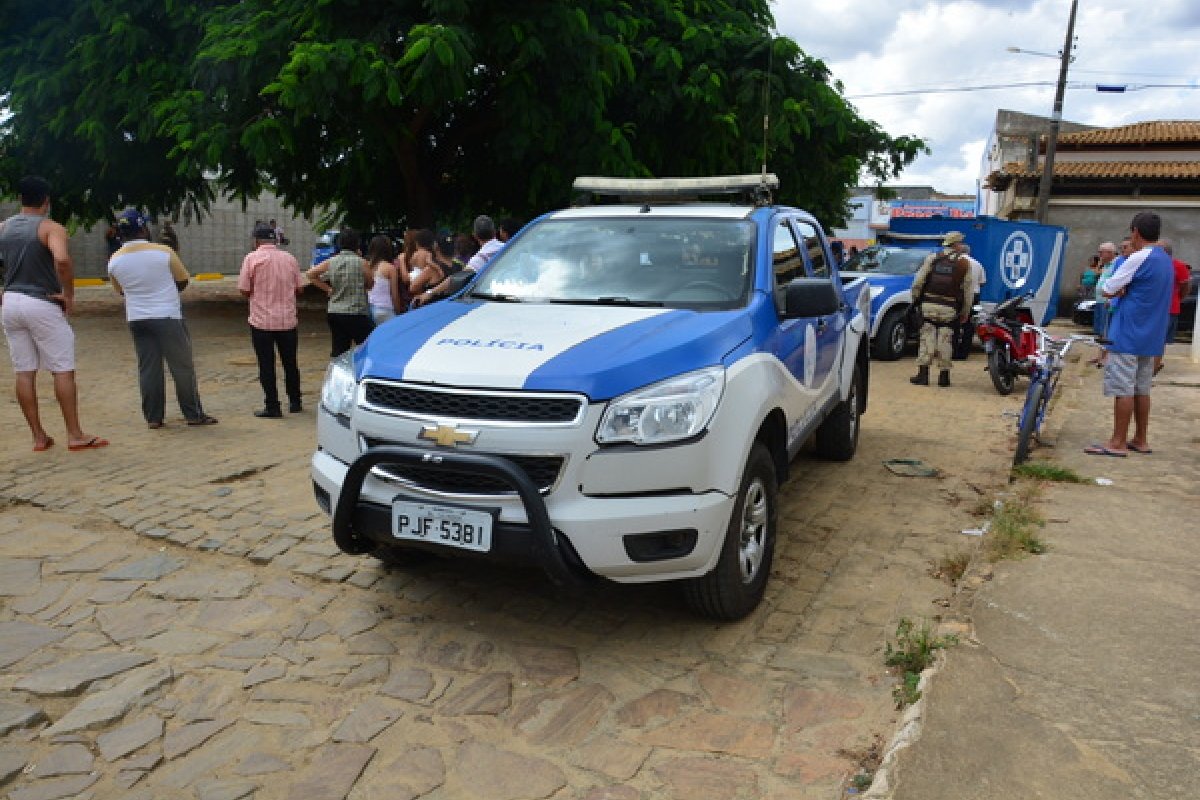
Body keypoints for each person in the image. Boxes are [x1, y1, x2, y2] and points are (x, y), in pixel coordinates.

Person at [0, 176, 108, 451]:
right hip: (42, 301)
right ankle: (75, 434)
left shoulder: (4, 228)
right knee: (62, 369)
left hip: (11, 302)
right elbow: (61, 259)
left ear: (21, 199)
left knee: (24, 371)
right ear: (46, 200)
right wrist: (68, 294)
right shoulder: (50, 228)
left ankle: (38, 436)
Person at [108, 208, 217, 429]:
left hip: (137, 318)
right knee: (182, 367)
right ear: (143, 228)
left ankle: (154, 418)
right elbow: (183, 281)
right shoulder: (163, 252)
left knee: (148, 368)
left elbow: (121, 291)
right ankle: (193, 414)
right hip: (167, 316)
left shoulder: (114, 261)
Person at [1084, 211, 1174, 458]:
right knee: (1142, 389)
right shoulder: (1165, 259)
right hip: (1152, 335)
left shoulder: (1138, 258)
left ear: (1135, 232)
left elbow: (1108, 288)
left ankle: (1117, 442)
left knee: (1123, 388)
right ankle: (1140, 438)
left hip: (1128, 332)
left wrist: (1121, 288)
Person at [238, 222, 305, 418]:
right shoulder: (290, 259)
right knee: (290, 362)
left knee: (266, 364)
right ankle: (295, 401)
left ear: (256, 240)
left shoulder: (251, 259)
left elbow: (243, 289)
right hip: (287, 321)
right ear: (275, 240)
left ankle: (273, 406)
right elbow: (300, 288)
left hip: (261, 322)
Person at [908, 231, 972, 387]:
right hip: (949, 308)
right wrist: (965, 312)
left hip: (928, 304)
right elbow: (967, 291)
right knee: (945, 340)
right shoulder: (964, 264)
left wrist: (916, 300)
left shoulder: (933, 258)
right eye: (960, 243)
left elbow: (918, 283)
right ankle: (944, 377)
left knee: (926, 338)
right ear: (956, 244)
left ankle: (923, 375)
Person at [305, 226, 373, 356]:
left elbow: (310, 274)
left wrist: (328, 289)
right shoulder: (362, 263)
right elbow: (370, 284)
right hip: (356, 312)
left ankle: (337, 373)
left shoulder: (331, 261)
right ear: (357, 244)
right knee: (367, 346)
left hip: (335, 311)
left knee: (339, 350)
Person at [413, 215, 503, 307]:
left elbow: (456, 279)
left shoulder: (480, 258)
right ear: (494, 231)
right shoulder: (509, 249)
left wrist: (430, 292)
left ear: (474, 235)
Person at [951, 242, 985, 360]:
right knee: (969, 325)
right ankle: (964, 353)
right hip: (974, 296)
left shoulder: (957, 262)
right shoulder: (978, 264)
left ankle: (953, 351)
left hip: (959, 295)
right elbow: (982, 282)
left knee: (954, 324)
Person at [1159, 240, 1192, 350]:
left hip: (1169, 309)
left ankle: (1155, 366)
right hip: (1154, 307)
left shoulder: (1178, 266)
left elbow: (1185, 287)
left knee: (1161, 340)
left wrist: (1177, 298)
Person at [364, 234, 403, 323]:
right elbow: (394, 294)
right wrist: (398, 311)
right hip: (385, 309)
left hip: (369, 308)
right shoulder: (390, 268)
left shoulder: (366, 266)